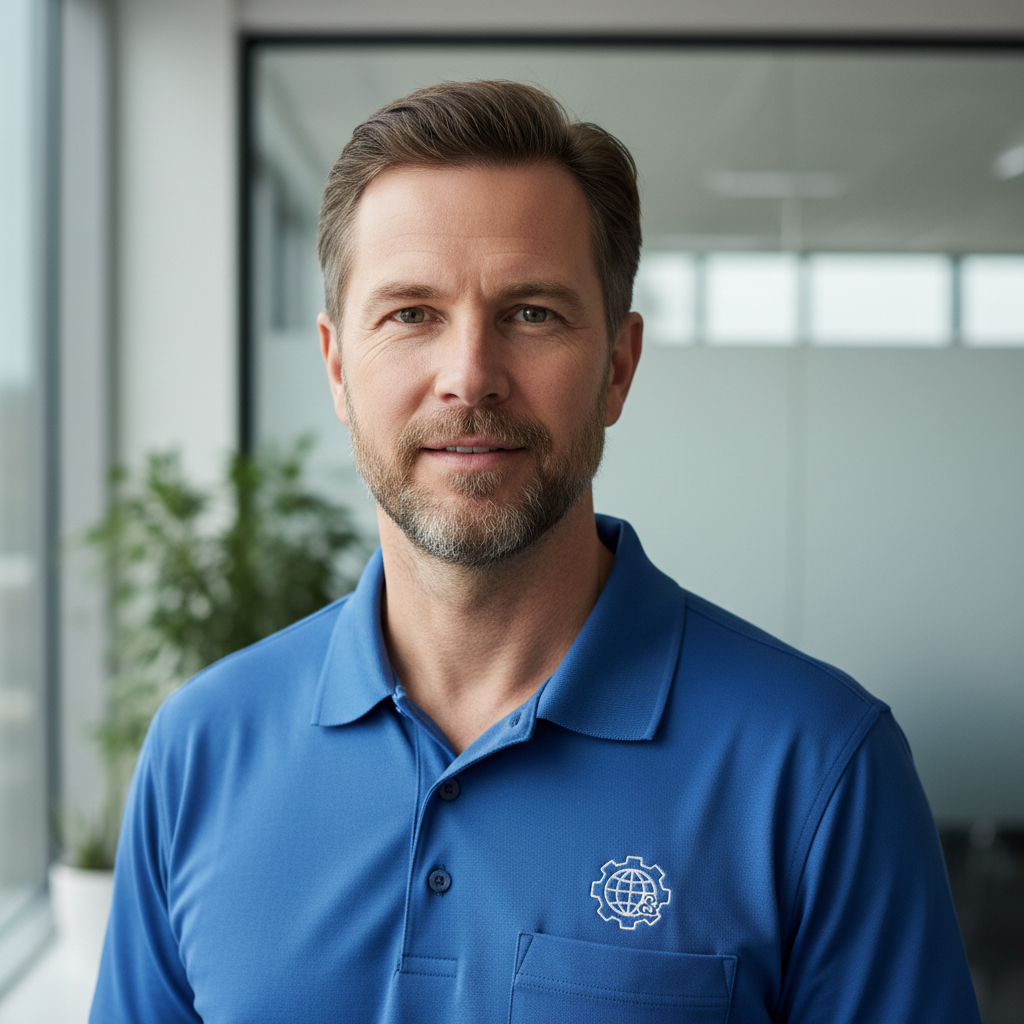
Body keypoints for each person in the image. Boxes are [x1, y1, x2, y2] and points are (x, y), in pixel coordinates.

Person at [91, 80, 981, 1023]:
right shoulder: (200, 752)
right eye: (410, 314)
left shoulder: (818, 769)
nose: (469, 374)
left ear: (619, 368)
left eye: (532, 313)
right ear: (337, 367)